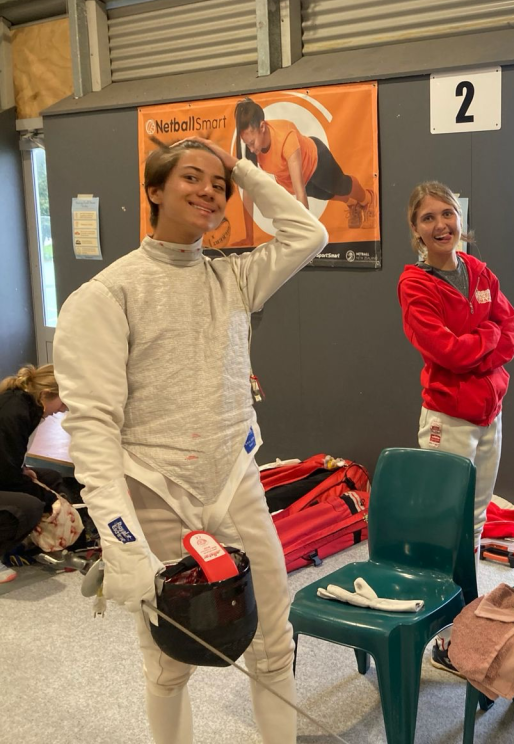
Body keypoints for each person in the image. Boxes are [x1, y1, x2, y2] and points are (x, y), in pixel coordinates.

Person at [53, 137, 328, 744]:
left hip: (234, 480)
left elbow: (308, 234)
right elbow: (93, 430)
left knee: (273, 642)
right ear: (154, 190)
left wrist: (243, 170)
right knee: (170, 658)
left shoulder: (233, 277)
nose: (209, 191)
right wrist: (120, 539)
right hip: (157, 491)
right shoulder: (107, 294)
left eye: (217, 184)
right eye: (191, 178)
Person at [397, 181, 514, 674]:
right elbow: (445, 351)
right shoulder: (415, 284)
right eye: (428, 218)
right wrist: (487, 337)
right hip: (447, 418)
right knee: (442, 526)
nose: (441, 225)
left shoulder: (479, 271)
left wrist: (480, 343)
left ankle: (464, 618)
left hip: (490, 413)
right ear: (416, 230)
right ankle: (441, 628)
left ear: (460, 218)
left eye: (447, 213)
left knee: (476, 520)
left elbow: (512, 332)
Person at [234, 97, 376, 242]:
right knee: (327, 195)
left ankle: (368, 199)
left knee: (342, 187)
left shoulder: (286, 137)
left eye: (252, 143)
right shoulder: (252, 148)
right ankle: (353, 204)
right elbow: (248, 192)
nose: (251, 149)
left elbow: (300, 192)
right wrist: (249, 237)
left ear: (262, 127)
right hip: (295, 180)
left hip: (317, 162)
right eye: (247, 144)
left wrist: (306, 238)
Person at [0, 364, 66, 583]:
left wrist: (23, 469)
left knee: (50, 477)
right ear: (46, 394)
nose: (63, 409)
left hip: (3, 473)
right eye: (62, 402)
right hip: (2, 477)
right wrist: (49, 499)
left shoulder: (22, 403)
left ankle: (26, 544)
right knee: (31, 505)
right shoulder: (14, 411)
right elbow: (6, 477)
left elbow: (8, 457)